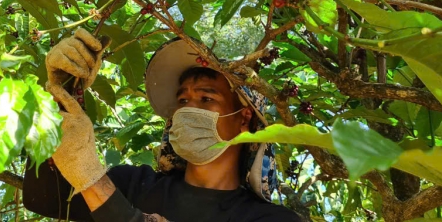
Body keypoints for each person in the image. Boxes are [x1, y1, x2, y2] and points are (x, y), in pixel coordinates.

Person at [23, 30, 301, 222]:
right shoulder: (133, 185)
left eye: (206, 98)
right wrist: (60, 96)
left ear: (244, 119)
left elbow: (91, 183)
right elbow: (44, 197)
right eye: (182, 100)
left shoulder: (270, 218)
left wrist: (92, 181)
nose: (189, 108)